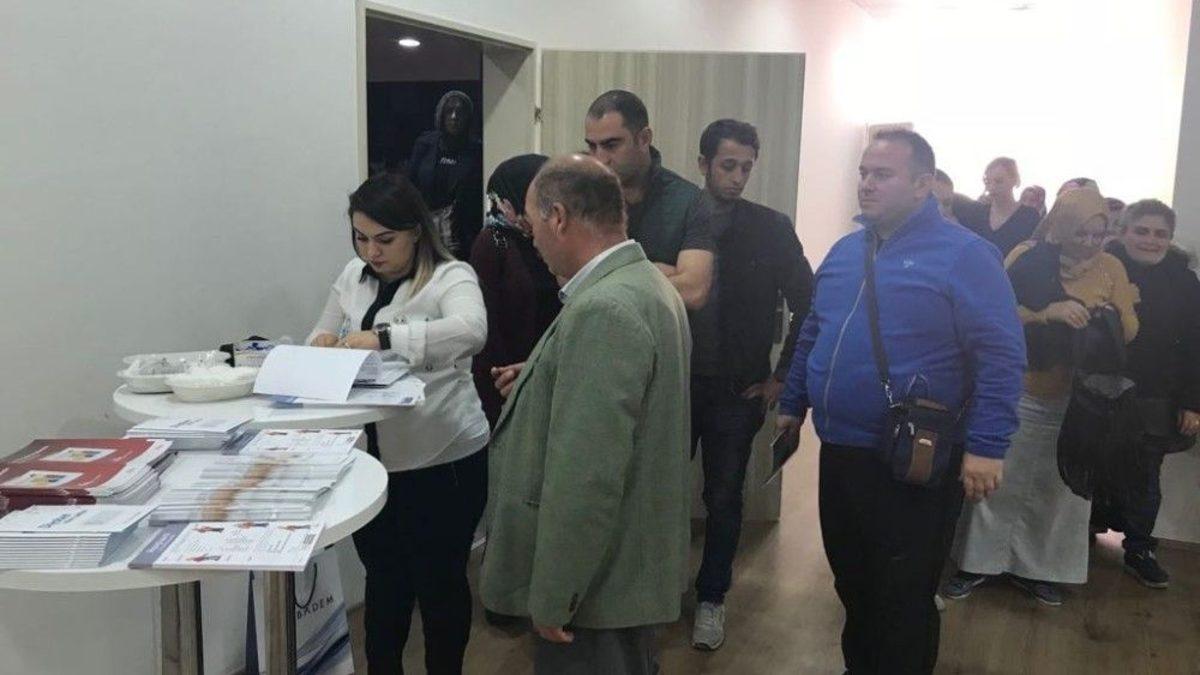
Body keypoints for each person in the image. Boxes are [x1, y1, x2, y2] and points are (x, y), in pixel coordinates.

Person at [777, 130, 1026, 674]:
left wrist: (987, 446)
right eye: (864, 172)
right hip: (841, 449)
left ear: (922, 184)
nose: (866, 183)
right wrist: (793, 402)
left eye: (882, 174)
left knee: (903, 592)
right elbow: (814, 329)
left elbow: (1002, 355)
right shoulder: (846, 252)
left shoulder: (966, 255)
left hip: (914, 454)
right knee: (853, 580)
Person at [480, 155, 692, 675]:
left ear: (557, 218)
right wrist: (544, 374)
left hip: (598, 589)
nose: (531, 239)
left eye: (532, 223)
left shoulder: (605, 309)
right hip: (626, 568)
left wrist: (556, 593)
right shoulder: (647, 284)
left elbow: (587, 476)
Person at [307, 173, 488, 674]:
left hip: (443, 457)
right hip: (373, 466)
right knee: (384, 585)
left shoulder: (451, 276)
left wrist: (386, 338)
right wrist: (322, 344)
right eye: (361, 238)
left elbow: (472, 330)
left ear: (416, 231)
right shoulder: (353, 276)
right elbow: (321, 332)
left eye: (385, 239)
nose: (372, 252)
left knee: (440, 587)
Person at [947, 187, 1139, 607]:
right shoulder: (1027, 256)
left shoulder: (1111, 267)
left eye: (1098, 234)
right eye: (1081, 233)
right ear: (1061, 225)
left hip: (1079, 400)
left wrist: (1105, 317)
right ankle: (977, 563)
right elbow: (997, 311)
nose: (1090, 243)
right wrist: (1047, 313)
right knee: (998, 481)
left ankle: (1039, 571)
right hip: (1021, 388)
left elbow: (1130, 329)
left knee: (1059, 491)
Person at [686, 119, 814, 651]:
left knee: (724, 496)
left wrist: (783, 376)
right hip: (673, 384)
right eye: (727, 166)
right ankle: (651, 588)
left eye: (746, 168)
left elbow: (809, 303)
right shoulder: (677, 218)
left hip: (738, 388)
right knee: (654, 492)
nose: (738, 178)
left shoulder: (770, 227)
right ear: (704, 164)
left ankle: (711, 596)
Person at [1092, 199, 1200, 588]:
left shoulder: (1186, 283)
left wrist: (1192, 401)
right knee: (1091, 465)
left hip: (1156, 393)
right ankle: (1081, 537)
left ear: (1170, 239)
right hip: (1098, 388)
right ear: (1123, 232)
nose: (1150, 240)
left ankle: (1139, 549)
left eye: (1160, 234)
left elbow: (1195, 344)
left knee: (1144, 477)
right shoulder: (1100, 269)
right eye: (1141, 231)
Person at [583, 89, 714, 309]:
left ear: (644, 139)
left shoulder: (689, 201)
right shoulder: (584, 194)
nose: (600, 159)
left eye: (611, 145)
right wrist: (655, 273)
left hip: (663, 330)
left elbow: (693, 291)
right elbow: (569, 280)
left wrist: (606, 276)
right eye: (592, 146)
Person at [469, 154, 561, 426]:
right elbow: (487, 326)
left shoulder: (556, 238)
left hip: (553, 372)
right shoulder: (494, 241)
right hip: (507, 378)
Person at [408, 90, 484, 258]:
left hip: (460, 231)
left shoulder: (477, 151)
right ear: (441, 115)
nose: (454, 117)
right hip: (425, 224)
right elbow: (410, 184)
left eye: (460, 112)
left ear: (468, 118)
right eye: (449, 111)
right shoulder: (425, 144)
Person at [951, 157, 1041, 257]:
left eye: (998, 181)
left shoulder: (1029, 216)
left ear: (1014, 180)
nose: (992, 187)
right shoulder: (977, 212)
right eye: (987, 182)